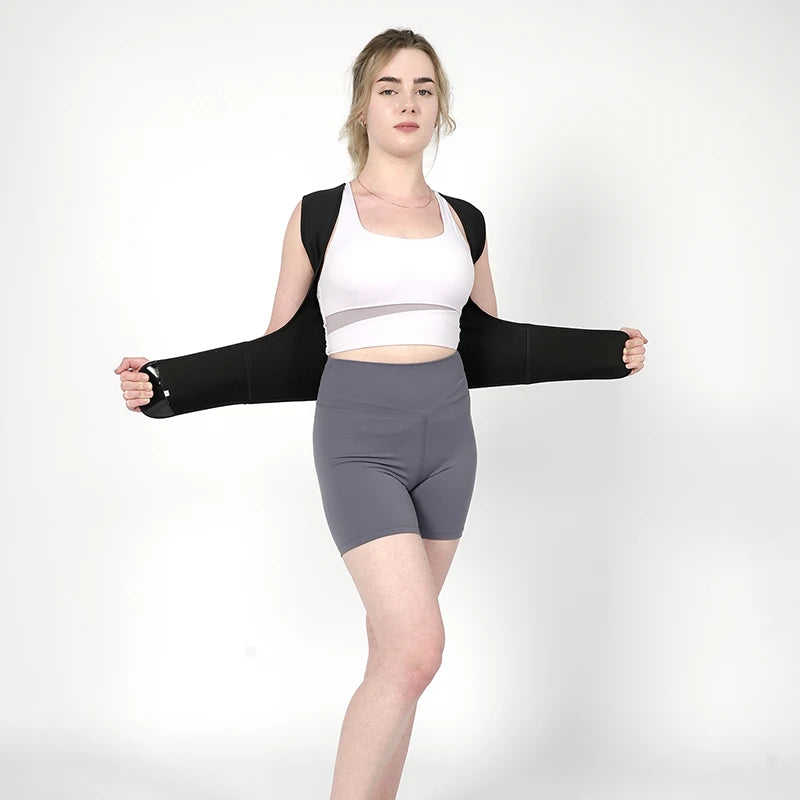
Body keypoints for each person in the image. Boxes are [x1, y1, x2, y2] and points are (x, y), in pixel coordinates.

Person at [114, 27, 647, 800]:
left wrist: (605, 352)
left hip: (449, 446)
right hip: (358, 441)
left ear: (441, 107)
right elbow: (276, 354)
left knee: (395, 657)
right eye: (389, 88)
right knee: (419, 649)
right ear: (362, 106)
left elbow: (491, 345)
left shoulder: (465, 220)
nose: (407, 102)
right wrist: (166, 385)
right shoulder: (320, 214)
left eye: (423, 88)